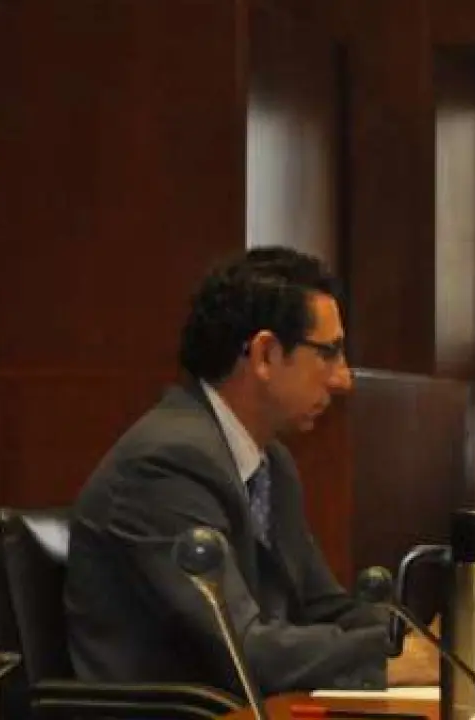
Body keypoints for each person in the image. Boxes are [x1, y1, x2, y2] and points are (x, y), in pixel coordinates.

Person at [64, 247, 439, 696]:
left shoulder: (270, 463)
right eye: (329, 353)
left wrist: (422, 640)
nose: (343, 379)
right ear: (265, 354)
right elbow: (241, 648)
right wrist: (388, 659)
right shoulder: (165, 465)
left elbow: (323, 607)